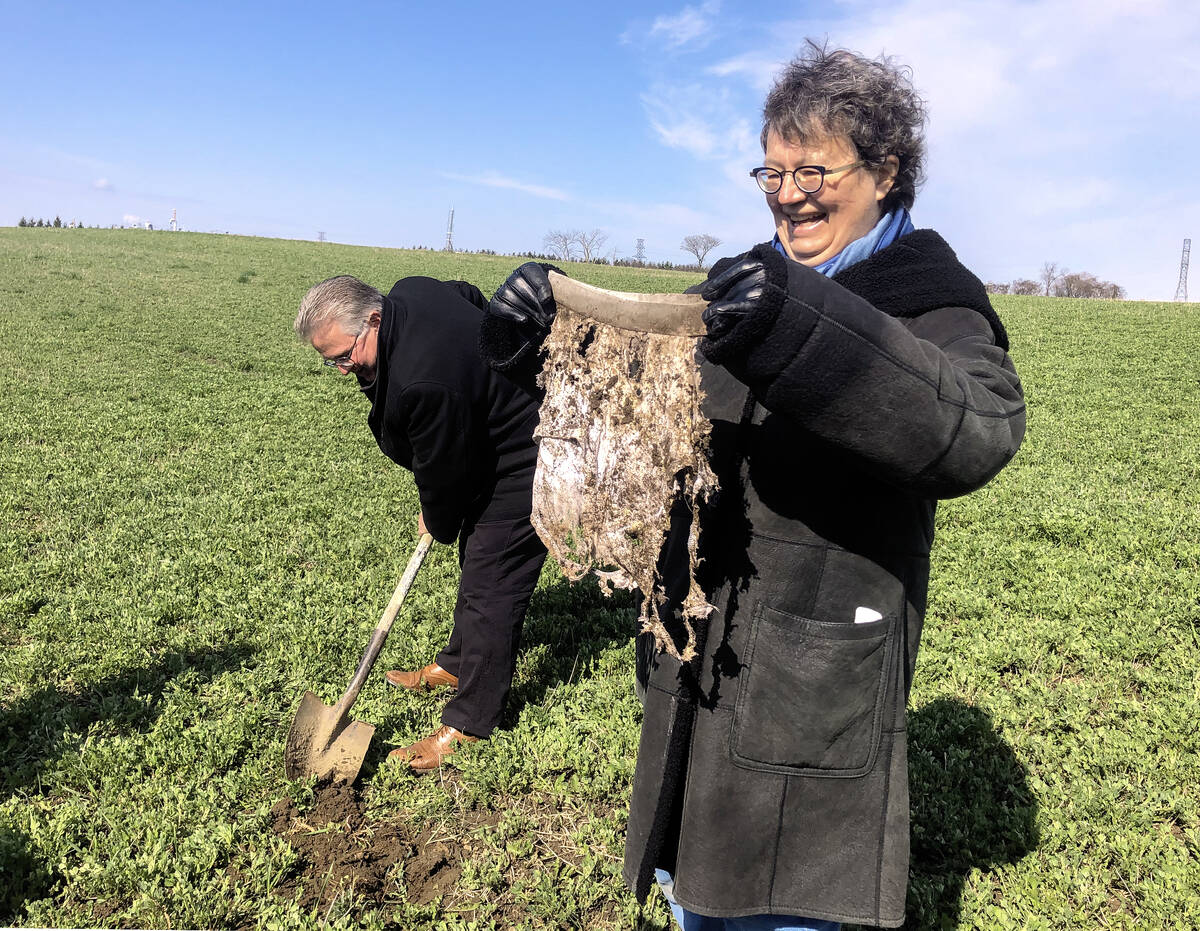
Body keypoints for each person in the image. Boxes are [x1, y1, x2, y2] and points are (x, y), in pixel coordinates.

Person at [484, 41, 1025, 930]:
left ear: (886, 171)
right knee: (696, 884)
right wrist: (537, 343)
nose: (787, 191)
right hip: (700, 657)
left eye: (812, 168)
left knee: (785, 898)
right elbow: (637, 413)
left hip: (812, 672)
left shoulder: (934, 300)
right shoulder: (743, 288)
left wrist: (797, 329)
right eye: (770, 170)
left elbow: (976, 431)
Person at [294, 274, 547, 770]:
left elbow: (444, 471)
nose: (343, 371)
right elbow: (470, 296)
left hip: (524, 456)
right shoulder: (407, 292)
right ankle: (456, 665)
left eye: (344, 356)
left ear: (373, 318)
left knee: (492, 583)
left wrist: (436, 516)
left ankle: (470, 722)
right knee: (476, 561)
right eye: (331, 363)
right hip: (482, 440)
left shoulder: (422, 380)